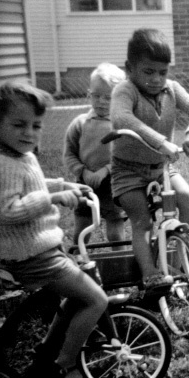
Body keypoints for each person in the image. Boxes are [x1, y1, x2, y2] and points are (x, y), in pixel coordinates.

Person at [0, 80, 108, 378]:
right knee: (96, 299)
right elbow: (7, 211)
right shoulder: (2, 163)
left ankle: (46, 360)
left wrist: (62, 185)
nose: (29, 133)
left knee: (78, 297)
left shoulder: (19, 156)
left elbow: (34, 184)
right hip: (32, 257)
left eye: (36, 126)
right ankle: (64, 366)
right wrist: (54, 199)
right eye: (18, 125)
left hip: (43, 251)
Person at [110, 28, 189, 293]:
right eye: (148, 72)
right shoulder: (125, 91)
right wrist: (160, 140)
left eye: (162, 72)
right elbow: (121, 118)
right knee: (142, 221)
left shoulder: (171, 89)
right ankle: (151, 275)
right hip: (128, 171)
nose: (157, 79)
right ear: (129, 68)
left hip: (162, 168)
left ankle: (184, 263)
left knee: (188, 198)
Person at [63, 62, 127, 247]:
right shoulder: (79, 124)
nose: (101, 102)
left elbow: (125, 155)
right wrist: (83, 172)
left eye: (108, 98)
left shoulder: (120, 125)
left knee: (116, 234)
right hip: (86, 183)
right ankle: (79, 262)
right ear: (88, 94)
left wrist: (105, 171)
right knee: (81, 232)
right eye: (96, 96)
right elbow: (69, 154)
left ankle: (119, 262)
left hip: (114, 184)